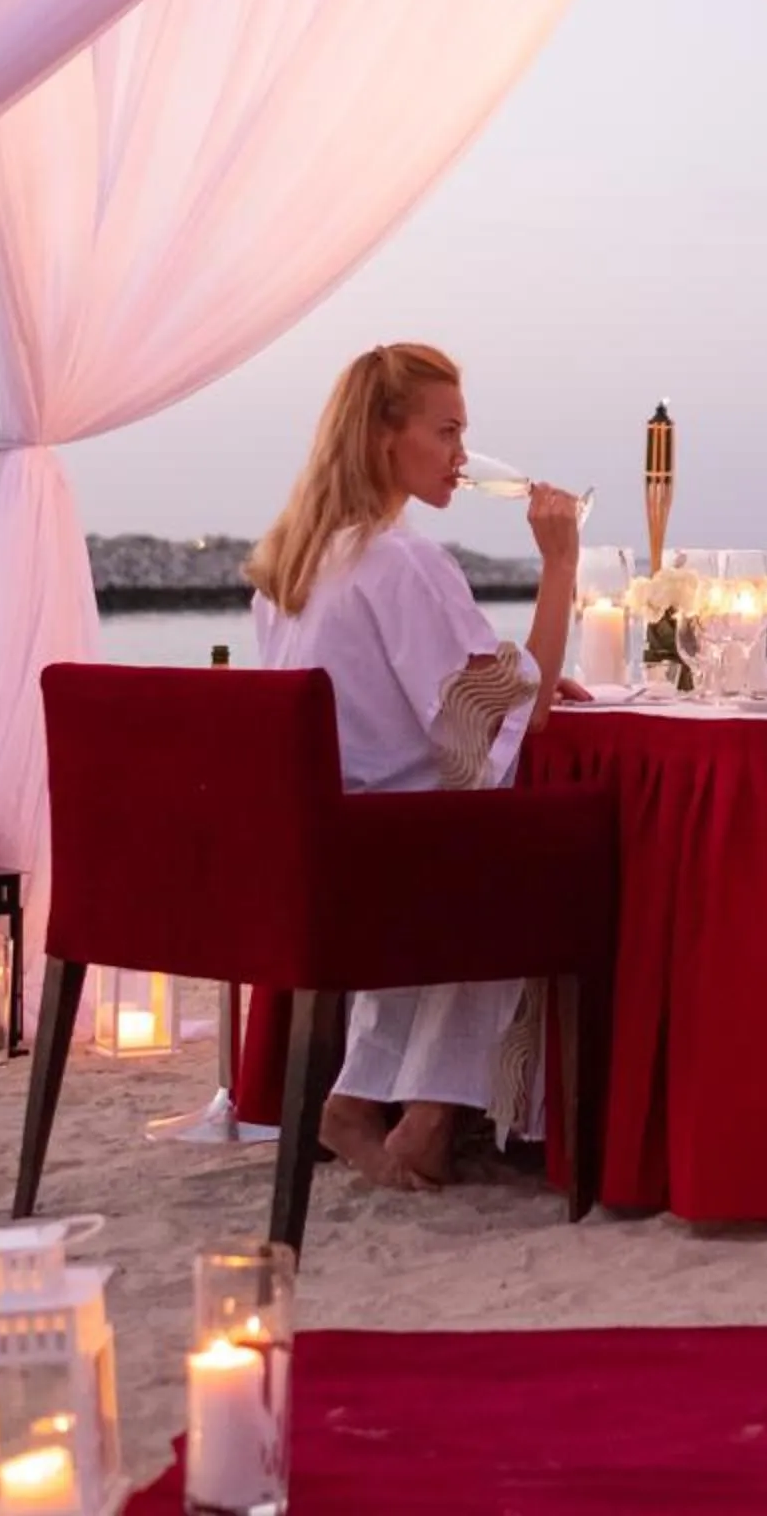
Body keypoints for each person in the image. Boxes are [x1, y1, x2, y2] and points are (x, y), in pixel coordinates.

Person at [245, 343, 586, 1190]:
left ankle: (361, 1099)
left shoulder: (291, 564)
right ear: (382, 438)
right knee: (535, 858)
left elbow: (451, 702)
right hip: (391, 862)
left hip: (322, 852)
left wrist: (518, 676)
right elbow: (522, 716)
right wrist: (560, 564)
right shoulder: (400, 560)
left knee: (464, 825)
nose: (462, 458)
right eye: (447, 432)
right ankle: (432, 1114)